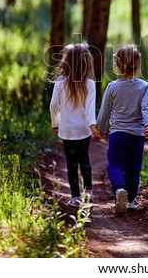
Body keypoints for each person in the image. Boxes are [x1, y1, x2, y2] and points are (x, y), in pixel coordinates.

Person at [97, 44, 148, 216]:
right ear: (138, 63)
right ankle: (130, 200)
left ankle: (120, 189)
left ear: (118, 64)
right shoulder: (144, 87)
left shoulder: (113, 86)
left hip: (118, 135)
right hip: (137, 136)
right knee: (133, 168)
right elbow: (146, 108)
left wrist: (100, 128)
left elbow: (104, 111)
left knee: (114, 164)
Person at [50, 43, 102, 207]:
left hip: (66, 130)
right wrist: (93, 127)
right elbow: (90, 110)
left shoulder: (60, 81)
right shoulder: (90, 84)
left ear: (67, 61)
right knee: (84, 159)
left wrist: (55, 122)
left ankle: (75, 196)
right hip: (83, 130)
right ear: (87, 63)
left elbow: (53, 105)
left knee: (71, 163)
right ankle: (88, 191)